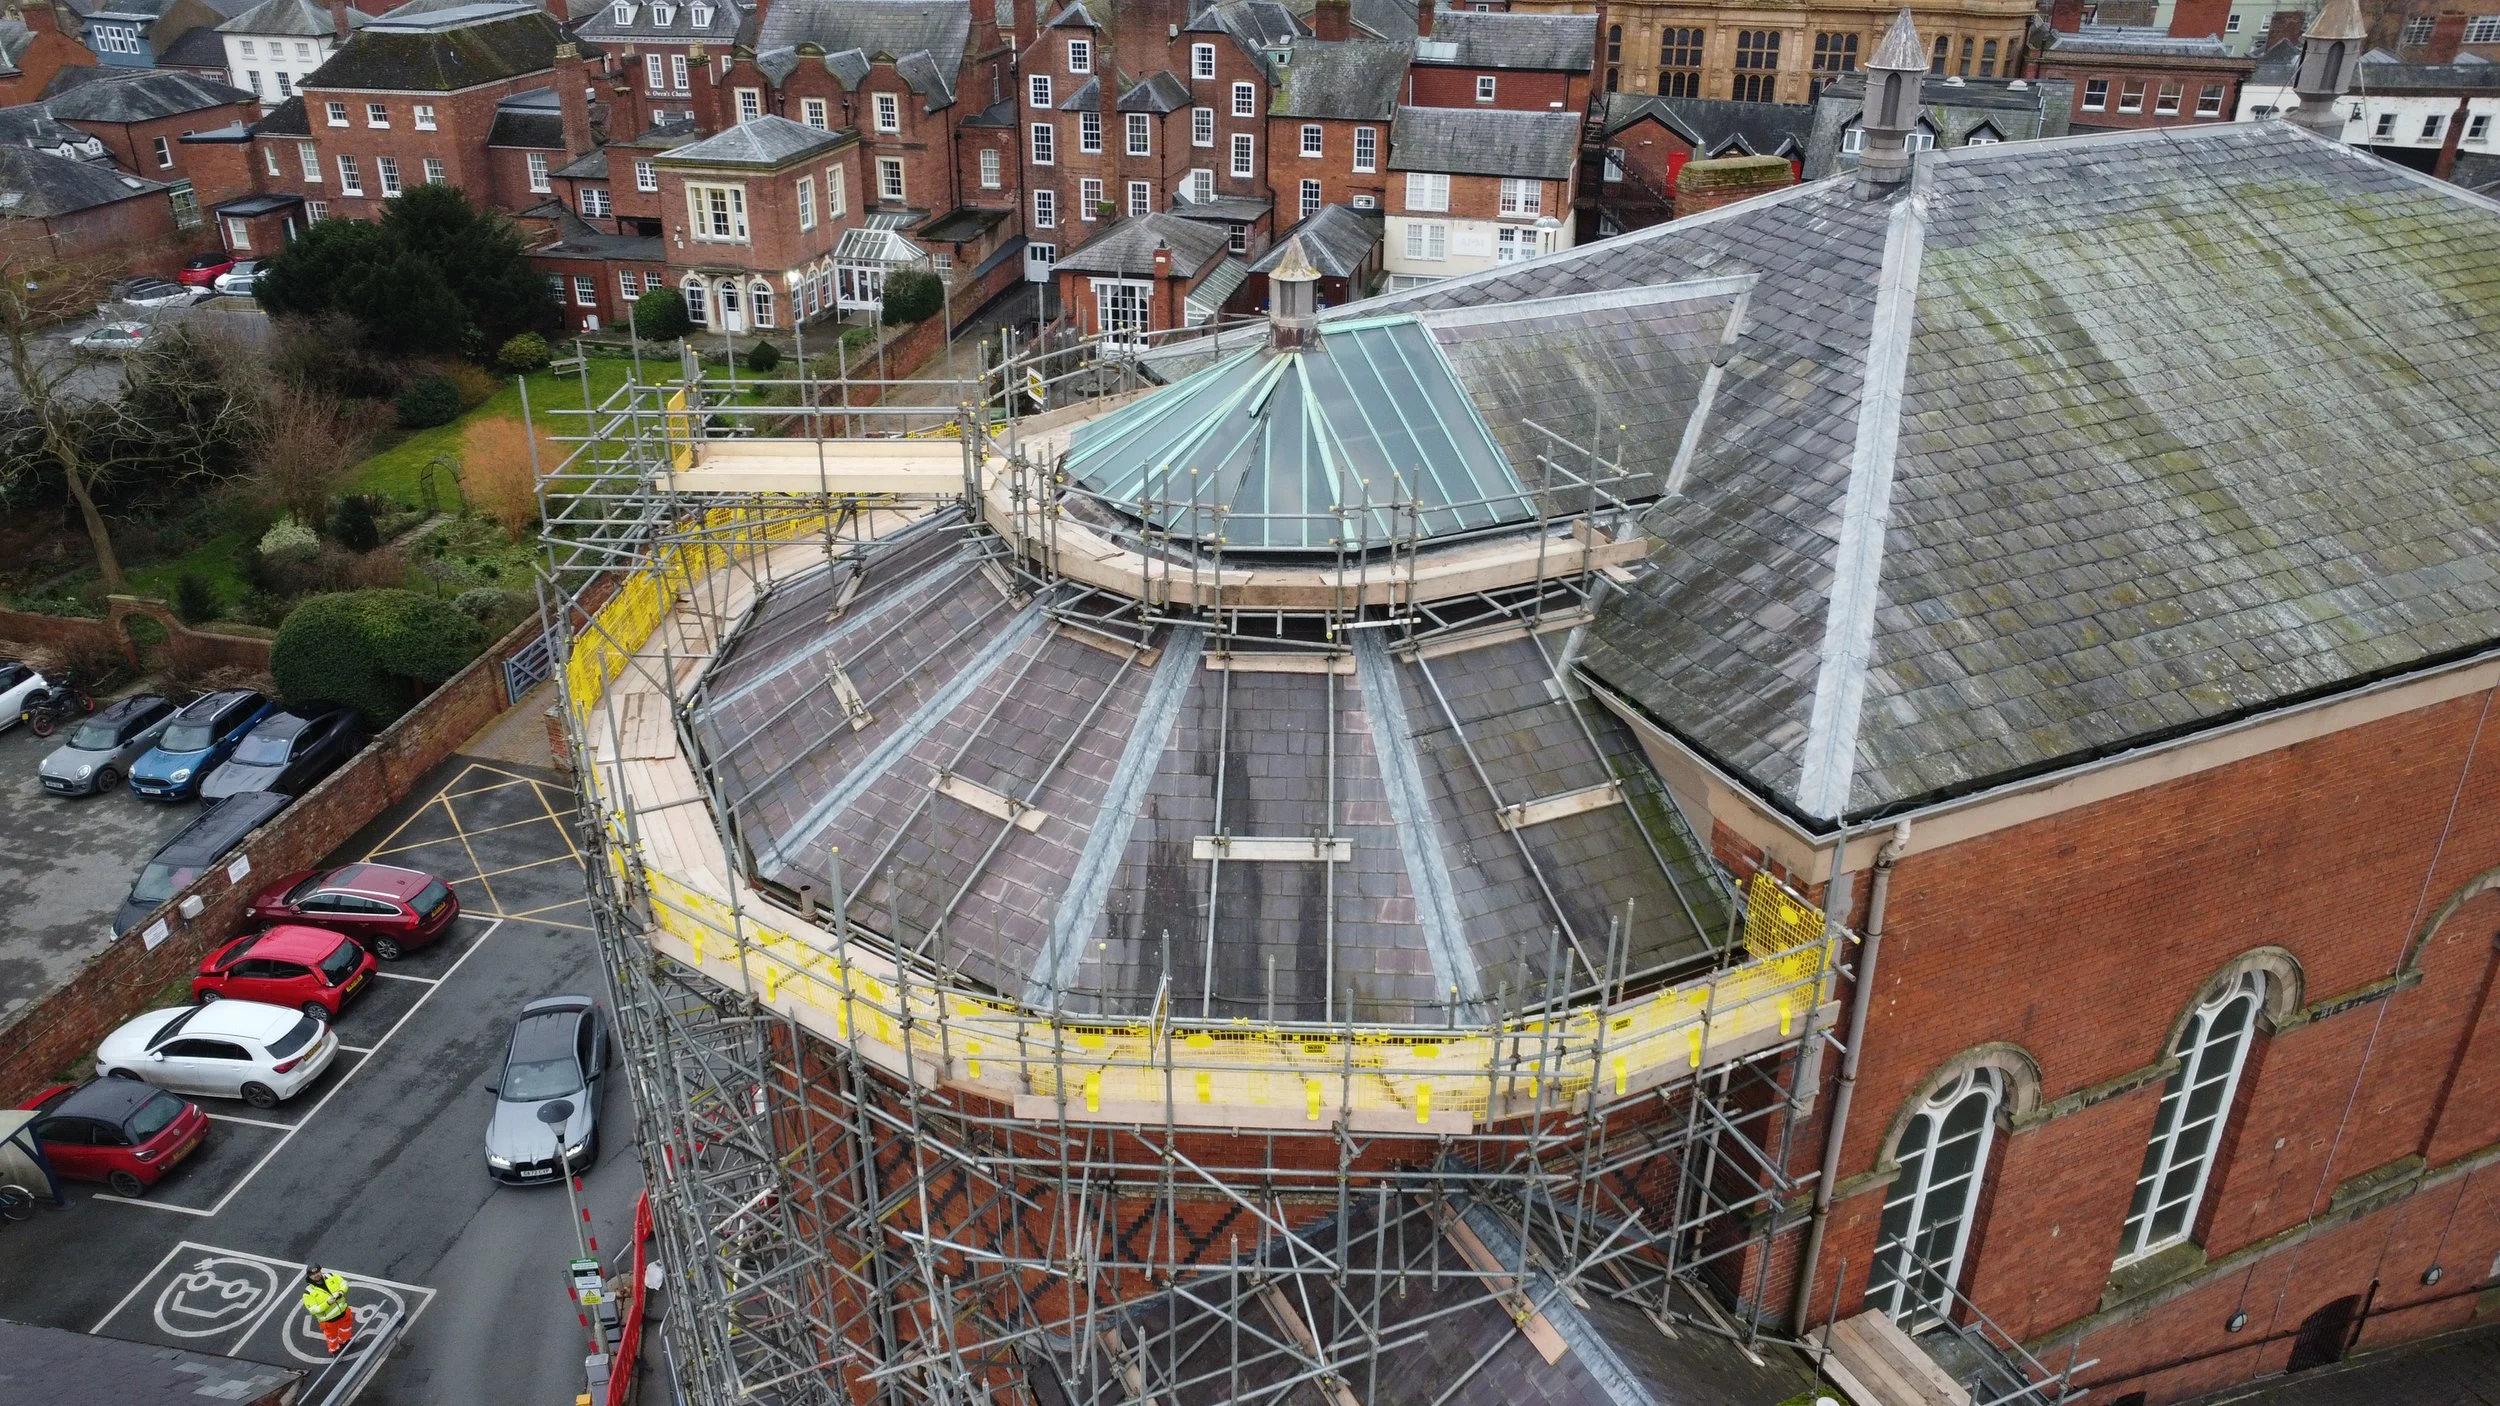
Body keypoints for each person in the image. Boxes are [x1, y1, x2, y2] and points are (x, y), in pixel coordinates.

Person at [302, 1265, 355, 1354]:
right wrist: (327, 1303)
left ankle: (345, 1341)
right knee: (332, 1338)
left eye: (317, 1272)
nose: (316, 1275)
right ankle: (334, 1351)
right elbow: (313, 1309)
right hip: (329, 1321)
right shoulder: (308, 1292)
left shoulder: (331, 1276)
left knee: (346, 1329)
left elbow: (343, 1283)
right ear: (309, 1276)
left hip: (343, 1313)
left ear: (320, 1271)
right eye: (313, 1274)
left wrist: (341, 1292)